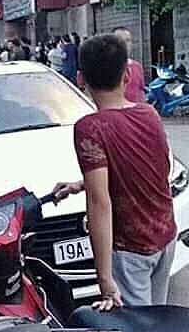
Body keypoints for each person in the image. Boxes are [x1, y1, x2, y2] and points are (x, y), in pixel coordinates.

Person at [54, 34, 176, 310]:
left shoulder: (90, 127)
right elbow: (152, 168)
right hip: (165, 236)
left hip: (131, 249)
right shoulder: (149, 114)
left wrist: (105, 278)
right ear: (127, 76)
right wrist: (81, 184)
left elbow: (100, 203)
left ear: (80, 79)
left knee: (139, 330)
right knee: (159, 322)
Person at [113, 28, 145, 102]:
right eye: (120, 41)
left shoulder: (137, 67)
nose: (124, 44)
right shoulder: (105, 67)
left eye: (127, 40)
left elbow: (141, 92)